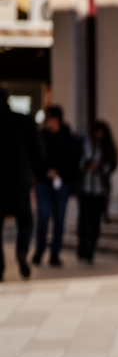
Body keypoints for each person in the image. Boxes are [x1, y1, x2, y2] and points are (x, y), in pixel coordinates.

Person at [0, 88, 42, 281]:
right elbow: (38, 151)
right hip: (20, 180)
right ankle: (22, 252)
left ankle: (0, 266)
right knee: (25, 220)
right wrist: (35, 174)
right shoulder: (23, 120)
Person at [35, 105, 78, 267]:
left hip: (62, 183)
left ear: (57, 120)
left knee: (59, 219)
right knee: (43, 216)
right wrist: (42, 173)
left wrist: (60, 172)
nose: (47, 122)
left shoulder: (68, 138)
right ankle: (40, 249)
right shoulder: (40, 136)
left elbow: (73, 162)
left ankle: (55, 252)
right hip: (43, 182)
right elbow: (35, 157)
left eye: (49, 119)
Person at [76, 120, 118, 266]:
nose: (99, 135)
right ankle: (82, 246)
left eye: (102, 133)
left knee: (95, 222)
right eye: (97, 132)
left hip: (100, 191)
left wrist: (100, 167)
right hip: (85, 189)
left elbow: (112, 164)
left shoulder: (107, 148)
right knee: (83, 221)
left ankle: (90, 252)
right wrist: (86, 165)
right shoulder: (83, 144)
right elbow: (75, 160)